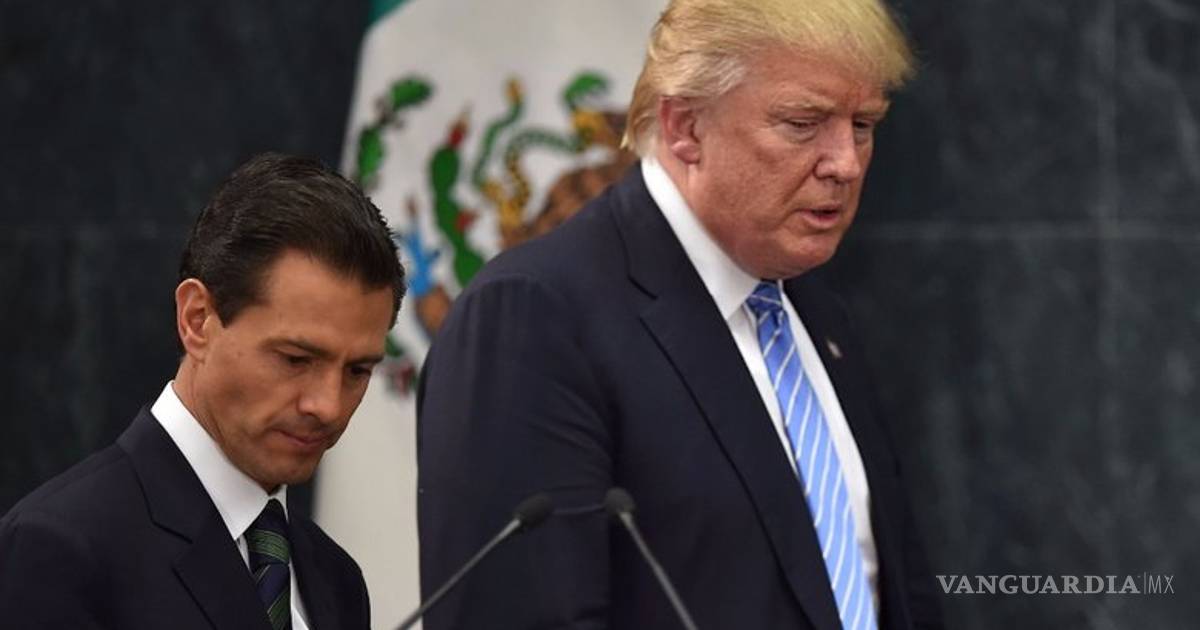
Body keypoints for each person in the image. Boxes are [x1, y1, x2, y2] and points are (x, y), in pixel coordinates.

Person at [417, 0, 944, 628]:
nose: (846, 163)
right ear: (685, 128)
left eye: (863, 125)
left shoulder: (811, 305)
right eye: (803, 123)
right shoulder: (534, 317)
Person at [0, 153, 405, 629]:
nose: (328, 406)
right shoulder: (60, 549)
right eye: (295, 359)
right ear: (197, 320)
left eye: (358, 371)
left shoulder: (336, 578)